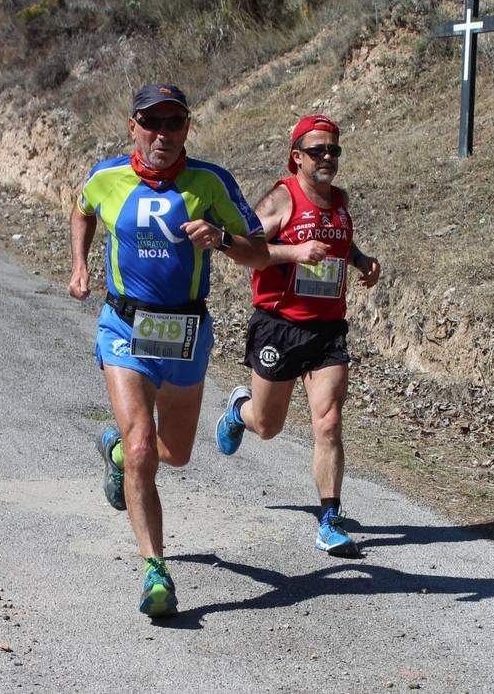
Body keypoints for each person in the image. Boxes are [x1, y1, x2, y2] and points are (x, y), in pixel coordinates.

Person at [68, 83, 267, 618]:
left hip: (184, 333)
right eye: (150, 122)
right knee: (141, 449)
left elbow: (261, 253)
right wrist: (81, 265)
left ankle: (114, 455)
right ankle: (156, 569)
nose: (162, 134)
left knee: (173, 454)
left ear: (187, 128)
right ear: (132, 125)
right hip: (123, 327)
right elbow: (82, 209)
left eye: (173, 123)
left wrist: (222, 241)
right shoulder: (106, 176)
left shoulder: (211, 182)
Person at [215, 114, 380, 556]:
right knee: (268, 426)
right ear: (296, 157)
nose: (327, 157)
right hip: (279, 325)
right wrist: (294, 252)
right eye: (317, 150)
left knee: (328, 421)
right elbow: (242, 250)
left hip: (328, 328)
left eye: (334, 150)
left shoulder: (340, 201)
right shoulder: (280, 200)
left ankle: (330, 519)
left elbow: (338, 244)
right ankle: (238, 411)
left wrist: (361, 261)